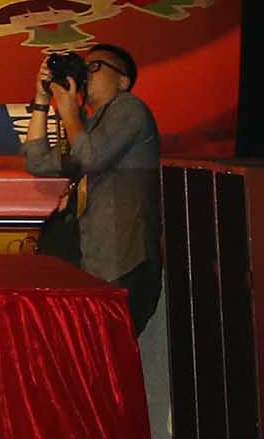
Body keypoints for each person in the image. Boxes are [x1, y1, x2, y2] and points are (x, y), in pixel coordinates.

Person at [26, 42, 162, 331]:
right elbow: (37, 161)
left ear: (123, 81)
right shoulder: (87, 125)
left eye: (96, 66)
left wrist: (69, 113)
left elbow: (91, 157)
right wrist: (41, 100)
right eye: (84, 67)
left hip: (122, 261)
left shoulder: (130, 108)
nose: (86, 73)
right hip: (91, 260)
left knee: (109, 349)